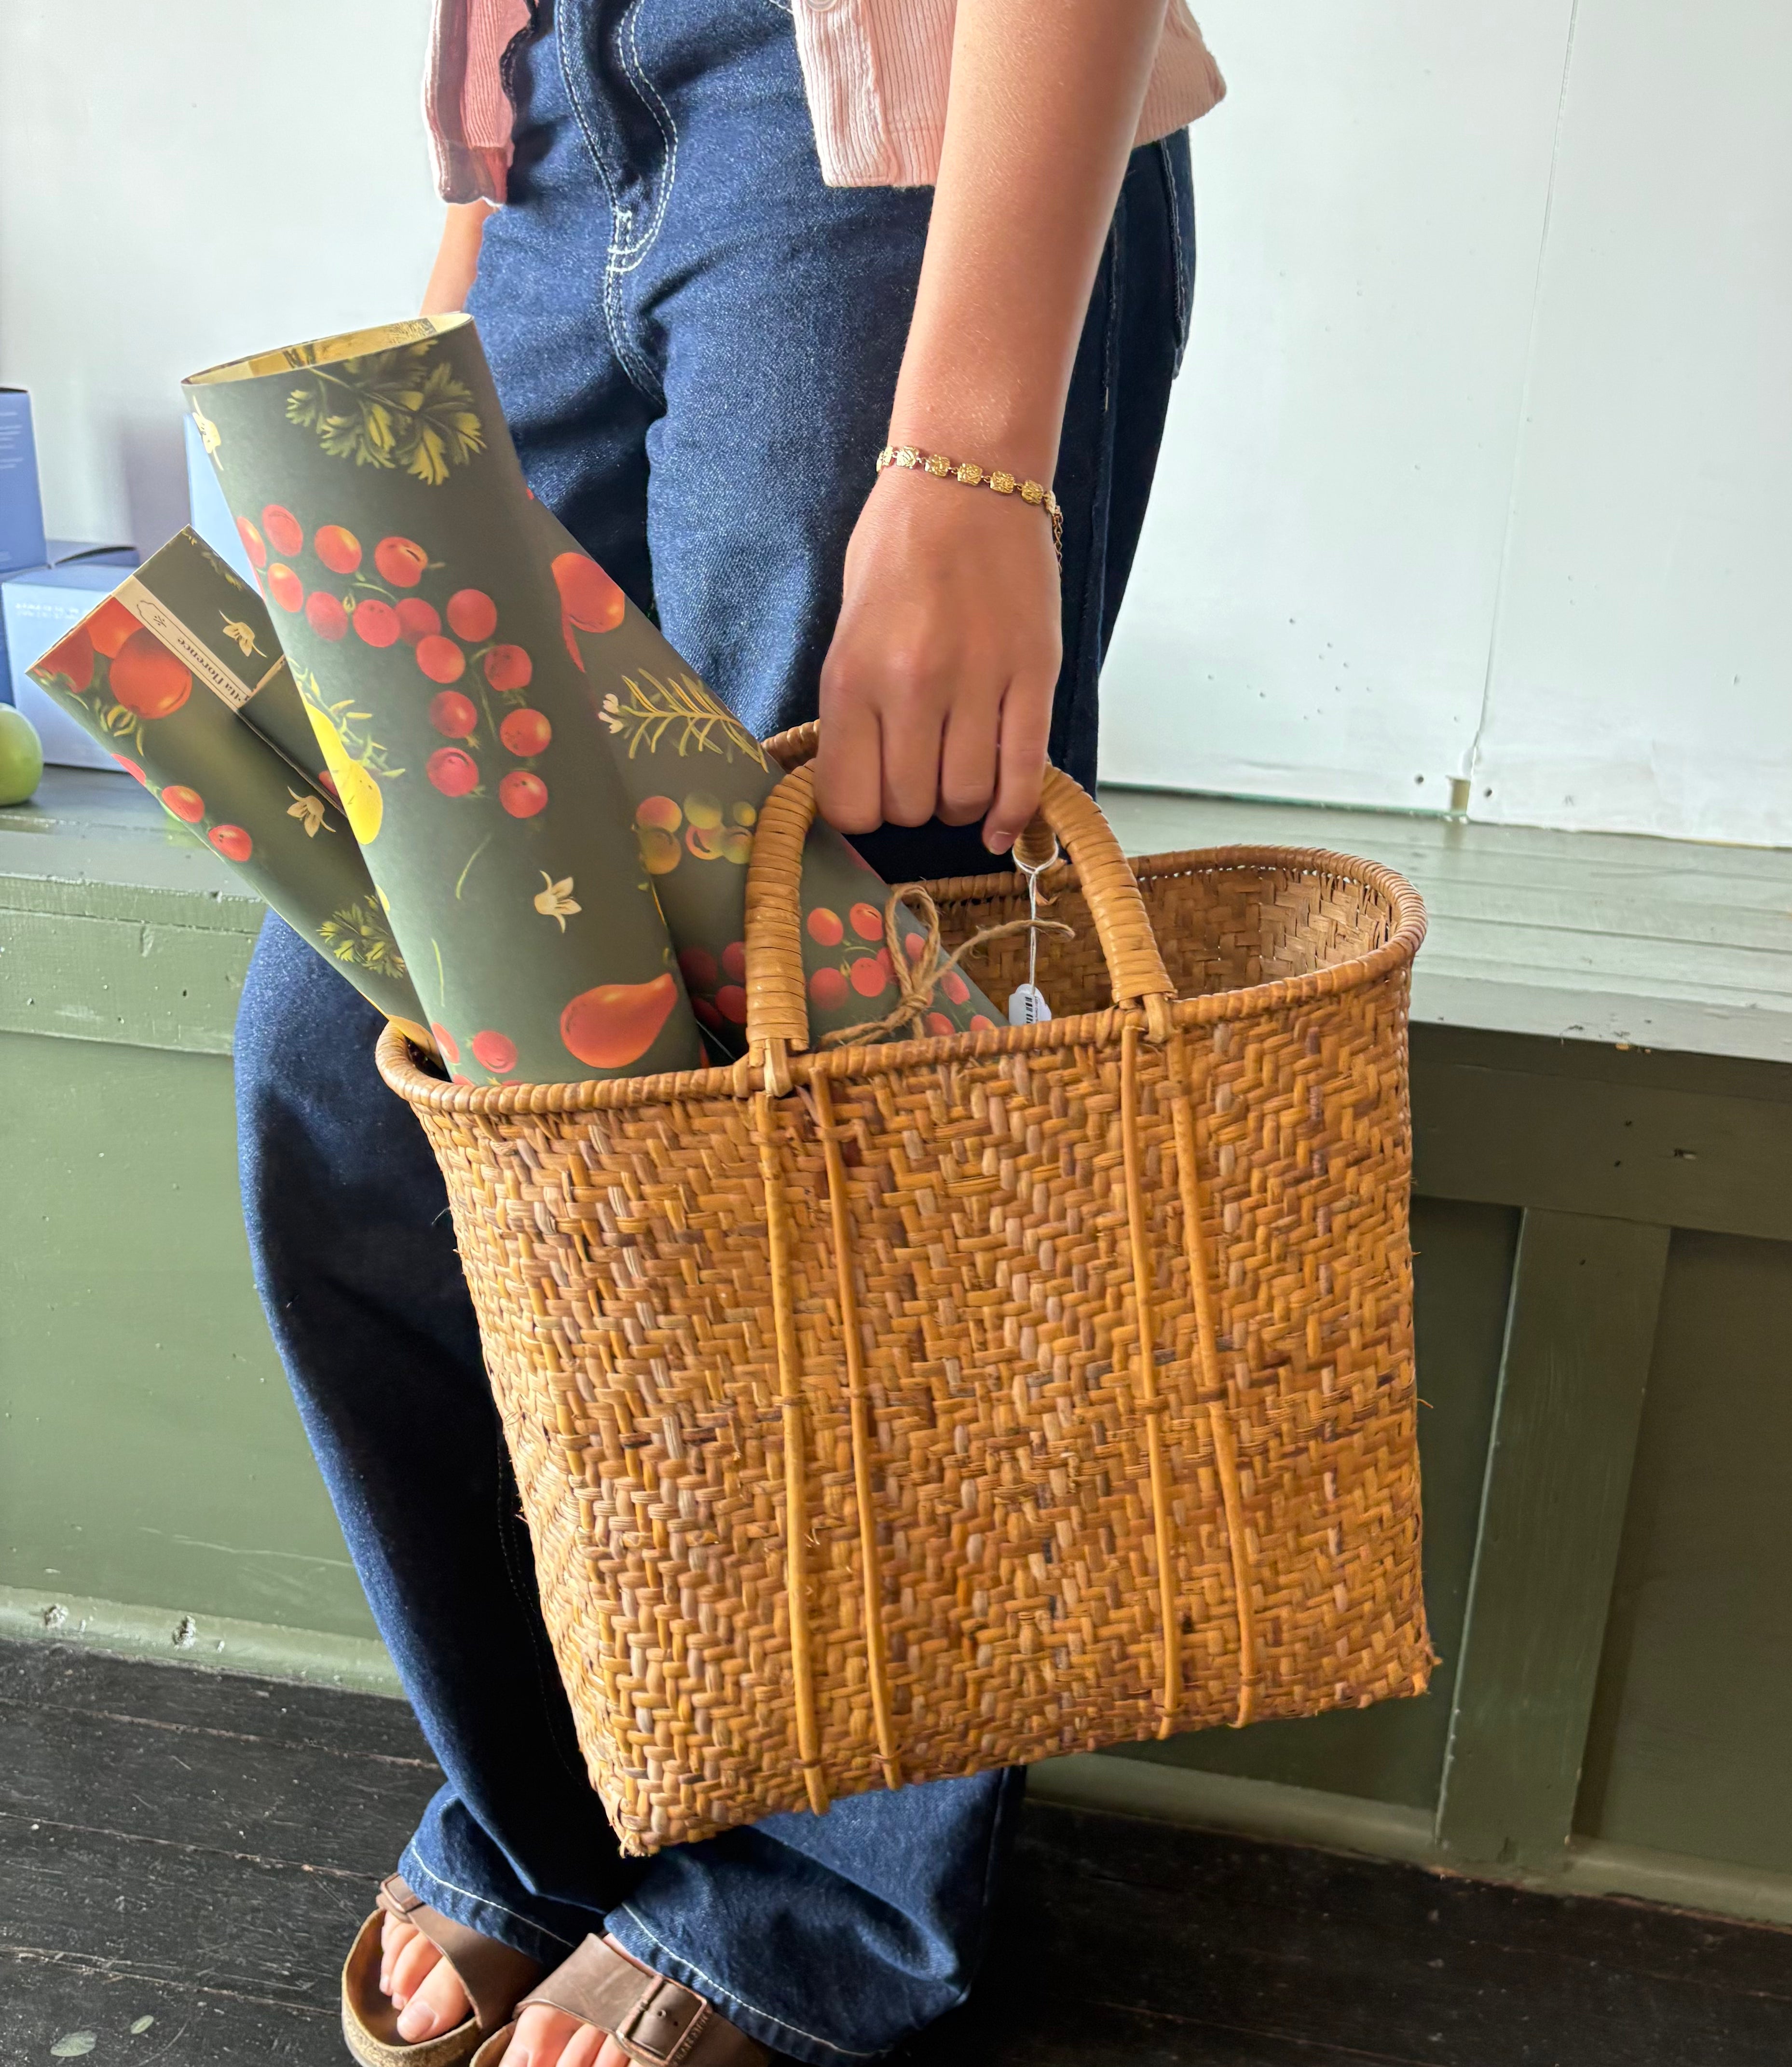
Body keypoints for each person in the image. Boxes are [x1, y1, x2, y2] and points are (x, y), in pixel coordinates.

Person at [234, 2, 1219, 2063]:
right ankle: (569, 1794)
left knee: (840, 1073)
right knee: (352, 1059)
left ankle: (816, 1892)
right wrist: (466, 234)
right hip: (548, 136)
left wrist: (971, 453)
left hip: (874, 138)